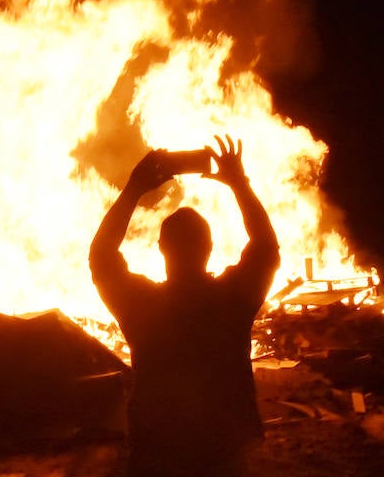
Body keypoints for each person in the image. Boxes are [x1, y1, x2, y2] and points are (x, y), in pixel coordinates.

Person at [89, 134, 280, 477]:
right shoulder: (231, 300)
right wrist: (239, 183)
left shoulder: (142, 307)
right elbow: (266, 248)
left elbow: (101, 258)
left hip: (156, 452)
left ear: (161, 248)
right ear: (209, 246)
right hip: (221, 452)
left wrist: (135, 188)